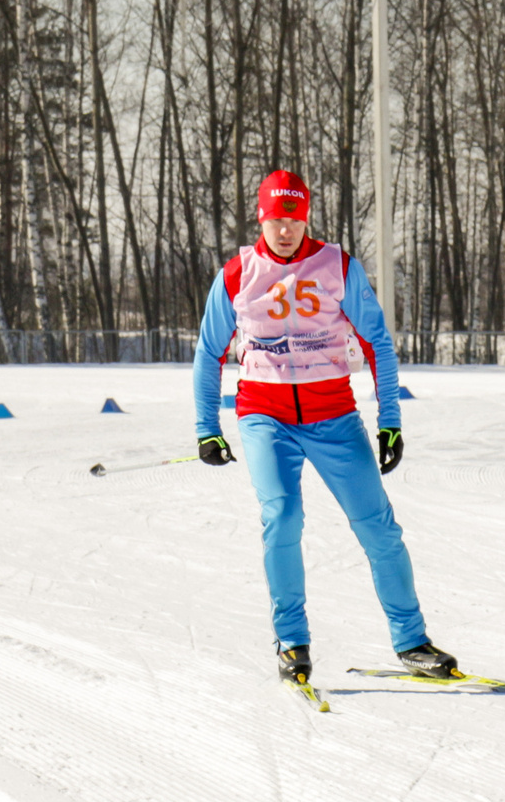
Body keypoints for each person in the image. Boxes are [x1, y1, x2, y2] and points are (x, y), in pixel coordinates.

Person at [192, 169, 456, 692]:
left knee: (379, 527)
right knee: (283, 516)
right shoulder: (237, 273)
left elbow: (378, 343)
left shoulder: (338, 266)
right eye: (275, 219)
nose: (285, 230)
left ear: (305, 217)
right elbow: (209, 351)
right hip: (265, 417)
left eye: (294, 218)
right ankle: (292, 642)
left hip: (333, 416)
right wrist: (207, 428)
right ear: (260, 218)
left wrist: (390, 423)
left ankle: (412, 641)